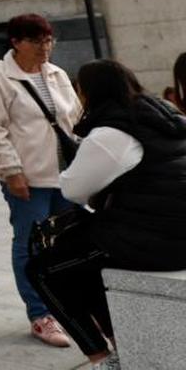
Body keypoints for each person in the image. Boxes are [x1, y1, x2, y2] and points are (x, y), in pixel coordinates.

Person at [26, 59, 186, 369]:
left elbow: (73, 189)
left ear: (89, 92)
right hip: (169, 229)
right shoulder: (164, 115)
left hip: (160, 240)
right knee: (82, 256)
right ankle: (119, 338)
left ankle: (101, 356)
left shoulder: (112, 132)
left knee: (43, 269)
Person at [0, 14, 79, 348]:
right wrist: (11, 172)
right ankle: (40, 314)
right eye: (36, 41)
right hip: (27, 179)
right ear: (16, 42)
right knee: (31, 245)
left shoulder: (56, 74)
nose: (44, 48)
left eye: (48, 40)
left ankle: (66, 305)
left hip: (66, 176)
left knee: (67, 243)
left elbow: (74, 119)